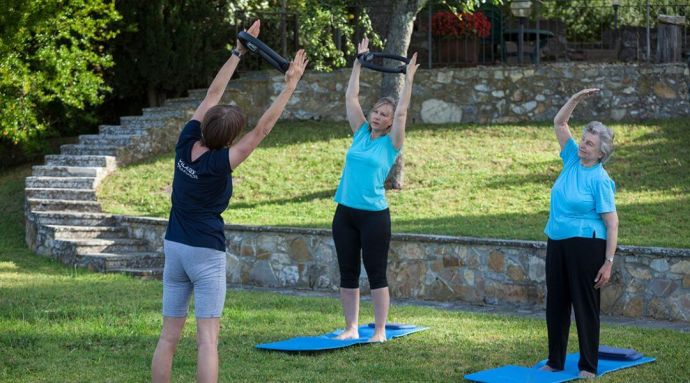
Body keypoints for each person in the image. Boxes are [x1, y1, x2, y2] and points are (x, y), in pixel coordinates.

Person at [151, 20, 308, 383]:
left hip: (175, 246)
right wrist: (290, 86)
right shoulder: (219, 163)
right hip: (205, 252)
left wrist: (239, 50)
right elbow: (262, 130)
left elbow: (212, 94)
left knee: (168, 336)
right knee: (208, 340)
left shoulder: (186, 140)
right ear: (229, 138)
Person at [331, 37, 419, 343]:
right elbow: (350, 98)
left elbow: (404, 111)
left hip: (373, 216)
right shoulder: (360, 133)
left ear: (391, 121)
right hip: (345, 212)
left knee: (376, 274)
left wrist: (408, 81)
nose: (377, 116)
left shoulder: (391, 143)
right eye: (376, 112)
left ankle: (379, 331)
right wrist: (358, 62)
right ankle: (351, 327)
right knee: (348, 272)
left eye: (384, 114)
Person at [540, 88, 619, 379]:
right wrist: (575, 99)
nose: (583, 146)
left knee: (585, 306)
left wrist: (608, 262)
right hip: (557, 241)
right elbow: (559, 123)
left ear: (601, 152)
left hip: (587, 246)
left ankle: (588, 366)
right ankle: (555, 360)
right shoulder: (571, 159)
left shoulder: (600, 179)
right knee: (556, 303)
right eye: (583, 141)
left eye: (589, 144)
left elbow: (612, 223)